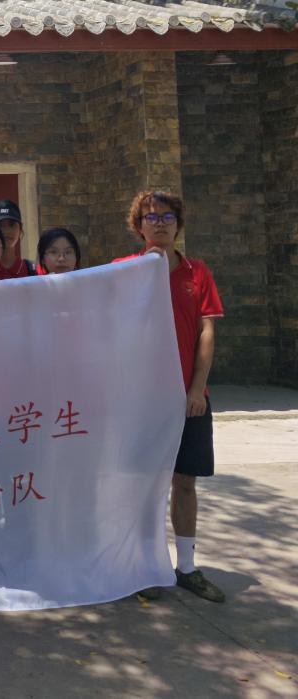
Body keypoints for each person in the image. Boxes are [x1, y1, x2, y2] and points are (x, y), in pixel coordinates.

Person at [114, 191, 225, 604]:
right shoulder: (123, 271)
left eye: (167, 217)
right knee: (142, 485)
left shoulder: (198, 273)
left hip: (188, 398)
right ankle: (143, 566)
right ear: (138, 225)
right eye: (150, 217)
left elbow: (207, 333)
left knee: (185, 481)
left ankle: (188, 567)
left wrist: (196, 388)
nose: (159, 223)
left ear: (178, 224)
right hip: (141, 400)